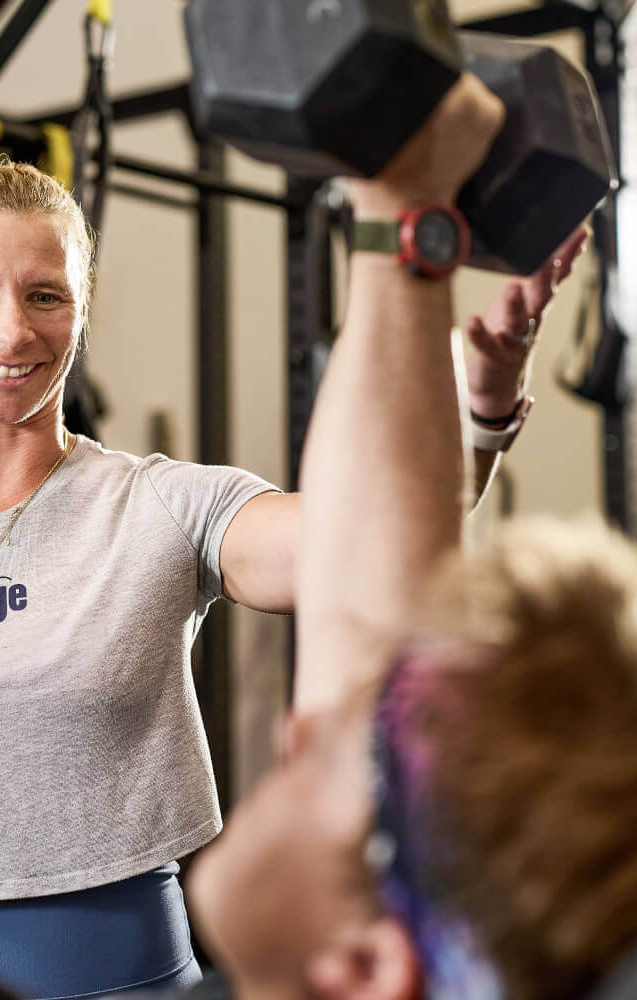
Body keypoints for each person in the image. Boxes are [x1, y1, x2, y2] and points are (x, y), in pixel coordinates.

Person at [0, 4, 581, 1000]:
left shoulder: (162, 505)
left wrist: (474, 413)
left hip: (132, 972)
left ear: (81, 309)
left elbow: (354, 558)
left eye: (46, 294)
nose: (12, 327)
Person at [184, 54, 637, 1000]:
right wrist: (407, 215)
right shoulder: (412, 932)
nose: (288, 732)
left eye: (331, 755)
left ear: (363, 964)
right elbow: (363, 629)